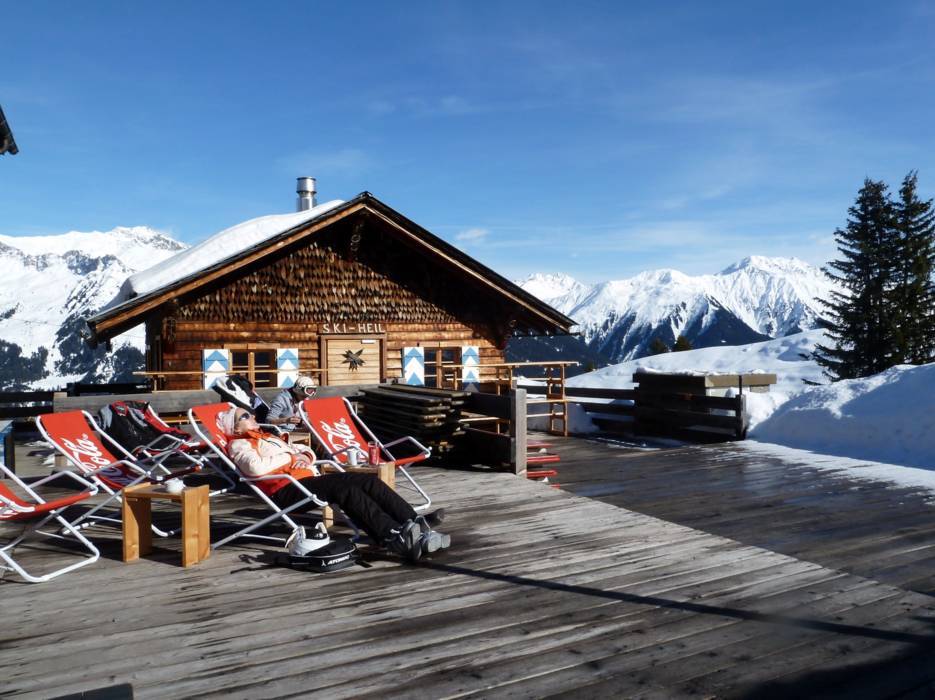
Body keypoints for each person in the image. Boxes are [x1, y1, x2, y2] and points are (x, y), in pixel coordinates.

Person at [221, 406, 449, 561]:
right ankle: (392, 535)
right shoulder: (238, 444)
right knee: (345, 490)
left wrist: (305, 456)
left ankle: (412, 521)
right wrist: (291, 458)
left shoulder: (268, 436)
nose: (251, 416)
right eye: (244, 416)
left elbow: (303, 450)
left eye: (249, 414)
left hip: (307, 480)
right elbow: (256, 468)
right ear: (235, 427)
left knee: (367, 481)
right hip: (286, 490)